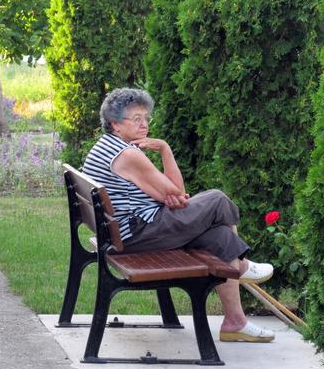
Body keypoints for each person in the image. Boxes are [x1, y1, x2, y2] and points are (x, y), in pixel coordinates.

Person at [82, 87, 275, 342]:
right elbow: (178, 193)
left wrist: (168, 193)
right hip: (137, 236)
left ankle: (235, 321)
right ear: (115, 124)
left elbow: (169, 196)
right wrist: (165, 150)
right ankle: (241, 265)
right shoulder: (128, 154)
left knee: (219, 237)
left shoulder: (108, 146)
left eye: (146, 117)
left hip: (126, 231)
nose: (144, 125)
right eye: (136, 119)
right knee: (217, 200)